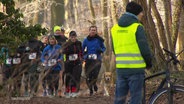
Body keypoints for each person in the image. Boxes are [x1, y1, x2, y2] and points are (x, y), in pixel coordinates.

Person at [111, 1, 152, 104]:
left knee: (119, 100)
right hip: (136, 70)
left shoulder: (115, 29)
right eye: (141, 12)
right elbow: (144, 49)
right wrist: (149, 63)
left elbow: (114, 49)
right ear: (136, 13)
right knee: (136, 99)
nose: (142, 14)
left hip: (121, 69)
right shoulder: (137, 27)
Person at [82, 26, 106, 96]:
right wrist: (85, 56)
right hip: (88, 60)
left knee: (95, 75)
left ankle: (94, 84)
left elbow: (104, 48)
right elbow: (82, 50)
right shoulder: (86, 40)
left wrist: (100, 50)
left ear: (96, 31)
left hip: (97, 60)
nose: (93, 31)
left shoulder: (99, 40)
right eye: (92, 30)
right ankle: (91, 90)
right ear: (89, 31)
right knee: (88, 76)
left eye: (94, 30)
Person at [62, 31, 83, 98]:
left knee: (75, 76)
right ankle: (67, 91)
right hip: (68, 63)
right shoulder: (66, 44)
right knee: (68, 76)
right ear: (69, 37)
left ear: (76, 37)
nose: (73, 38)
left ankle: (73, 91)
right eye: (72, 37)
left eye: (74, 37)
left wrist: (81, 58)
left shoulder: (79, 43)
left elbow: (81, 51)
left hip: (77, 62)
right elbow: (63, 52)